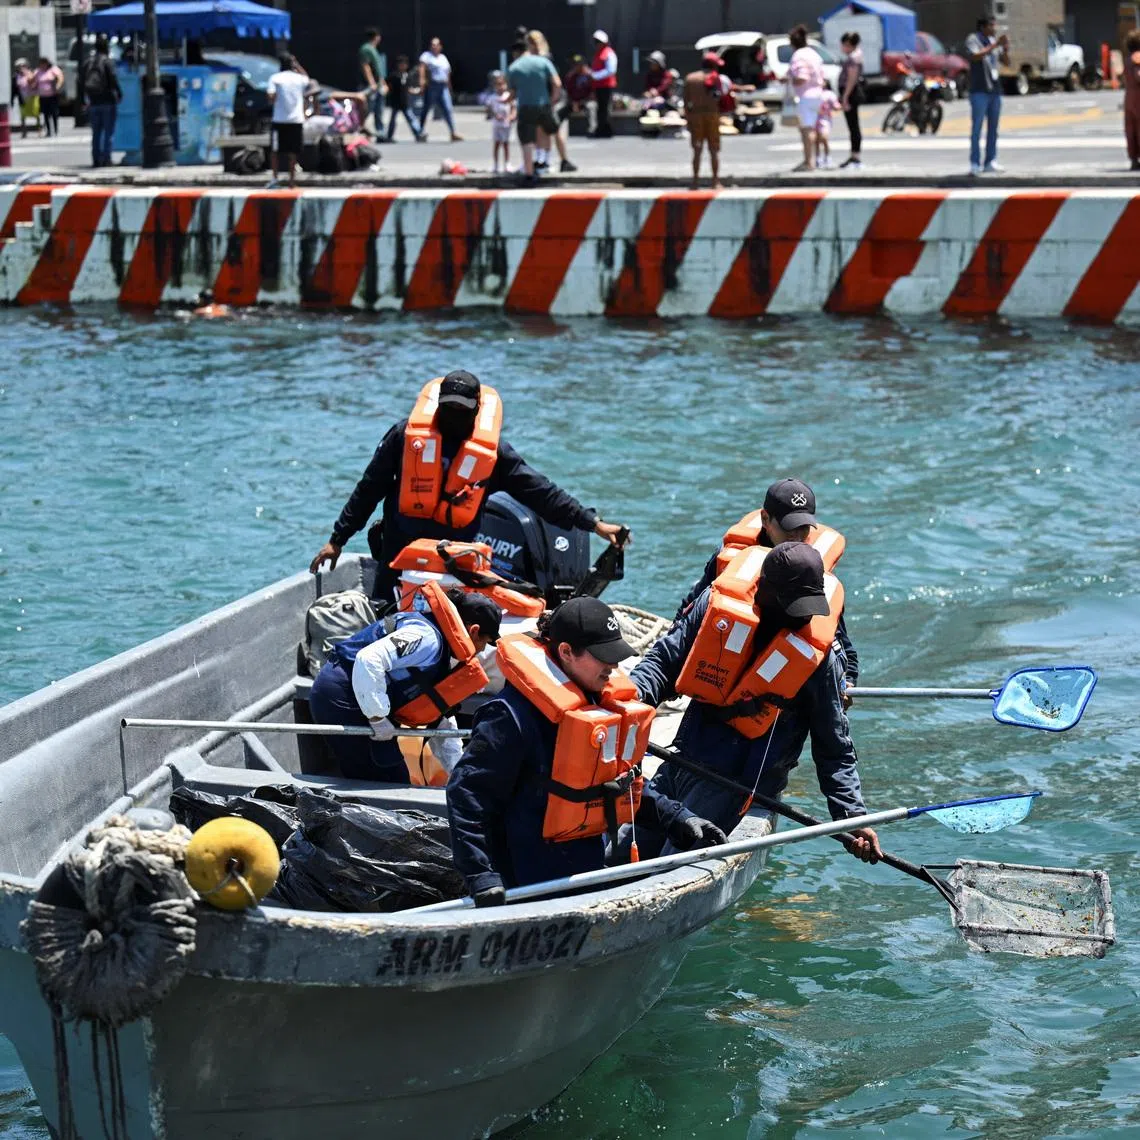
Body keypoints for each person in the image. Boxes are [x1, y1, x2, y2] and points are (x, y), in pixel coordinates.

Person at [446, 597, 727, 904]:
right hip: (526, 885)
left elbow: (618, 782)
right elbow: (466, 795)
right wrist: (481, 875)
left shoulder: (595, 703)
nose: (614, 667)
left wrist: (678, 819)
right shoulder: (509, 716)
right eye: (602, 656)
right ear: (565, 652)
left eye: (616, 655)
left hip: (584, 874)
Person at [627, 542, 882, 864]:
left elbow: (834, 746)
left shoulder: (820, 660)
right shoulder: (716, 608)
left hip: (737, 786)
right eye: (796, 604)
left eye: (810, 604)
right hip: (683, 759)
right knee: (618, 849)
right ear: (766, 592)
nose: (806, 616)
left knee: (667, 864)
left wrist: (852, 816)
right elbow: (663, 663)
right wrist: (628, 699)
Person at [309, 370, 629, 603]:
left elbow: (542, 493)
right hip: (398, 559)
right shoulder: (406, 439)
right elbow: (369, 489)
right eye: (448, 408)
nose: (453, 416)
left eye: (461, 410)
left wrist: (593, 524)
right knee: (385, 613)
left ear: (476, 410)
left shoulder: (493, 457)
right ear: (437, 406)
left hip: (454, 566)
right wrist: (337, 539)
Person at [674, 478, 859, 697]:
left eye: (803, 528)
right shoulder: (732, 560)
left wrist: (847, 679)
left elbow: (835, 635)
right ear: (765, 519)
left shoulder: (808, 567)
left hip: (780, 674)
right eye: (789, 527)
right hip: (730, 664)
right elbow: (689, 613)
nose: (797, 537)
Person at [310, 582, 502, 784]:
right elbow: (368, 659)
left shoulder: (445, 651)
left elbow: (442, 719)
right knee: (385, 780)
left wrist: (459, 774)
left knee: (393, 776)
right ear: (473, 631)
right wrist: (376, 716)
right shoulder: (427, 638)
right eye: (485, 642)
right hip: (342, 696)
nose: (481, 651)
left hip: (365, 699)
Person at [508, 32, 577, 180]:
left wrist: (552, 100)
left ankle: (538, 165)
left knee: (539, 133)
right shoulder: (545, 59)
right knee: (552, 129)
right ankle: (551, 160)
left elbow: (512, 92)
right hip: (546, 101)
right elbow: (556, 83)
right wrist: (553, 99)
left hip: (539, 101)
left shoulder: (520, 65)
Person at [965, 14, 1009, 175]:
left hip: (994, 90)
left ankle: (990, 161)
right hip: (979, 90)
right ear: (983, 27)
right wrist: (995, 45)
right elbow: (975, 55)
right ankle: (974, 163)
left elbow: (1006, 62)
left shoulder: (992, 42)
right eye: (991, 26)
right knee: (977, 128)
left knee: (993, 128)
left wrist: (1004, 49)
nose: (994, 29)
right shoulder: (973, 39)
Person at [683, 52, 731, 190]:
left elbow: (686, 102)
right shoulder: (715, 78)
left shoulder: (690, 79)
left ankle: (695, 182)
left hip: (695, 116)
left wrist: (688, 119)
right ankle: (715, 181)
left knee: (697, 150)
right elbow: (719, 97)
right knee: (714, 150)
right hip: (711, 115)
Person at [267, 54, 310, 187]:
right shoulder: (299, 79)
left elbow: (270, 96)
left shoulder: (275, 78)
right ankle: (292, 181)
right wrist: (297, 65)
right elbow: (307, 79)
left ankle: (274, 178)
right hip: (296, 120)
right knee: (293, 152)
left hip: (279, 119)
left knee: (275, 151)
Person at [787, 25, 825, 172]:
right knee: (814, 128)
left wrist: (790, 80)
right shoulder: (813, 54)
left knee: (806, 130)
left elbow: (802, 77)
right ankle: (816, 159)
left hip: (805, 95)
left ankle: (808, 162)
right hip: (818, 93)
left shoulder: (798, 56)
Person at [83, 37, 122, 168]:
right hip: (107, 100)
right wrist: (119, 92)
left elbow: (81, 80)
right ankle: (106, 159)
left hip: (93, 101)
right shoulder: (107, 62)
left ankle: (96, 159)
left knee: (96, 133)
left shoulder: (88, 62)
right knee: (108, 132)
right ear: (106, 47)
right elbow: (113, 78)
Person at [418, 37, 463, 142]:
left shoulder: (443, 58)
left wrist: (450, 88)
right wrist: (422, 82)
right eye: (432, 45)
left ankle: (453, 132)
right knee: (426, 109)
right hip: (432, 86)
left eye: (436, 45)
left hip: (443, 87)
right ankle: (420, 131)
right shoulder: (426, 56)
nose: (434, 47)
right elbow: (422, 68)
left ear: (440, 47)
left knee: (448, 109)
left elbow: (447, 74)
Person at [838, 32, 865, 170]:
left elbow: (851, 79)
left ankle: (855, 156)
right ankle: (854, 155)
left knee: (853, 125)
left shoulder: (853, 58)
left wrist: (845, 97)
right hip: (851, 93)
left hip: (851, 93)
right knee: (853, 125)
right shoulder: (855, 56)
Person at [386, 54, 425, 141]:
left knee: (411, 118)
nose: (403, 66)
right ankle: (389, 136)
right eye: (401, 64)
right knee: (393, 120)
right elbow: (387, 85)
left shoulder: (407, 76)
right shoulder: (394, 76)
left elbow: (408, 88)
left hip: (404, 102)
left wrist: (416, 91)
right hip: (395, 101)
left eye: (405, 64)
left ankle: (418, 134)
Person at [589, 30, 618, 138]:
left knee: (605, 109)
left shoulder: (609, 53)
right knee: (600, 109)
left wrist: (595, 76)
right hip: (598, 86)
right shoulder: (598, 54)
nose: (596, 44)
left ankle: (606, 130)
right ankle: (601, 129)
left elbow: (611, 70)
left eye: (598, 42)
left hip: (606, 86)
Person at [358, 28, 386, 134]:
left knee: (379, 110)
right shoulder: (366, 49)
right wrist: (371, 83)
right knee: (367, 108)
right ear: (376, 37)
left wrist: (383, 83)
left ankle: (381, 132)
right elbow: (365, 66)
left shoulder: (374, 49)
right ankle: (359, 127)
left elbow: (378, 69)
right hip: (370, 85)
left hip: (378, 85)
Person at [489, 71, 515, 173]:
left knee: (506, 144)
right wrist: (495, 115)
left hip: (506, 124)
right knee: (496, 144)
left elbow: (513, 107)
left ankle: (507, 163)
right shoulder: (492, 97)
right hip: (496, 124)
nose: (500, 87)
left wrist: (511, 116)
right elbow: (489, 109)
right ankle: (495, 164)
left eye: (502, 84)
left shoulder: (508, 95)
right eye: (498, 85)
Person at [34, 57, 64, 138]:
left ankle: (56, 130)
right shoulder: (38, 71)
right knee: (46, 114)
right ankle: (48, 131)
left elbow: (60, 78)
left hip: (52, 96)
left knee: (54, 113)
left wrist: (58, 86)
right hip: (43, 97)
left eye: (44, 63)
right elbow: (34, 81)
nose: (42, 65)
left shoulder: (53, 69)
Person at [815, 79, 841, 169]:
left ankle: (827, 158)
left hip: (825, 119)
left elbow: (835, 105)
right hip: (814, 119)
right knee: (816, 140)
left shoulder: (829, 94)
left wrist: (837, 106)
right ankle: (818, 158)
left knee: (824, 138)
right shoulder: (813, 92)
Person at [1124, 29, 1140, 171]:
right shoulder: (1138, 57)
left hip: (1129, 97)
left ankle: (1134, 159)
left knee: (1131, 129)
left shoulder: (1128, 59)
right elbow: (1138, 75)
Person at [13, 60, 40, 139]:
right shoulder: (17, 76)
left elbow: (34, 83)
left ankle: (39, 130)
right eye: (19, 67)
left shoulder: (31, 74)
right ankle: (24, 132)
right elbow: (15, 87)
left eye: (23, 66)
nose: (21, 68)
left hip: (32, 97)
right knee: (23, 115)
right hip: (22, 97)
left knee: (36, 113)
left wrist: (29, 77)